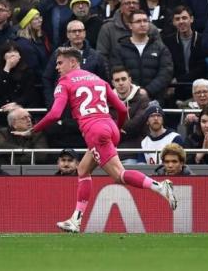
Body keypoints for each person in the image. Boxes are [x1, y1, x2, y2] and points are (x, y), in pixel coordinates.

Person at [11, 47, 177, 233]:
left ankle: (160, 187)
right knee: (82, 169)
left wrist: (32, 130)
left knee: (119, 175)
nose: (57, 67)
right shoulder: (97, 79)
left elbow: (55, 113)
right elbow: (122, 110)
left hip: (94, 131)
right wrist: (118, 129)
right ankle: (76, 219)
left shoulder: (65, 82)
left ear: (73, 62)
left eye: (60, 63)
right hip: (109, 127)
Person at [0, 41, 40, 108]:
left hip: (20, 108)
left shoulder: (27, 71)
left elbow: (29, 93)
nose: (12, 55)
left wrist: (17, 103)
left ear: (20, 55)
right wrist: (7, 67)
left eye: (15, 51)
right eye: (9, 52)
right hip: (1, 109)